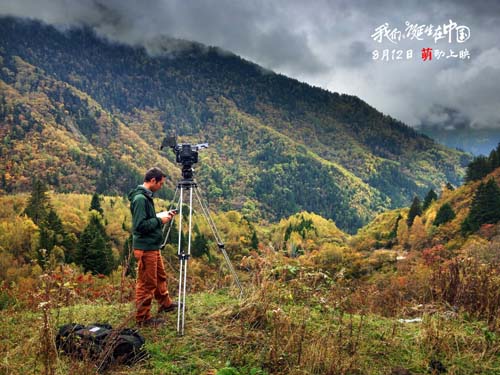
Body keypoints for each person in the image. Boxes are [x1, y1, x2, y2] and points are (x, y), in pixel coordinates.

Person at [128, 167, 179, 326]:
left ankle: (166, 304)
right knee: (147, 283)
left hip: (152, 246)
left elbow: (145, 219)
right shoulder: (140, 199)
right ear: (152, 181)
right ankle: (142, 318)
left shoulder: (145, 197)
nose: (161, 187)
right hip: (145, 248)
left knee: (159, 276)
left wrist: (158, 216)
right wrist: (160, 221)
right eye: (160, 184)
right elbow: (140, 226)